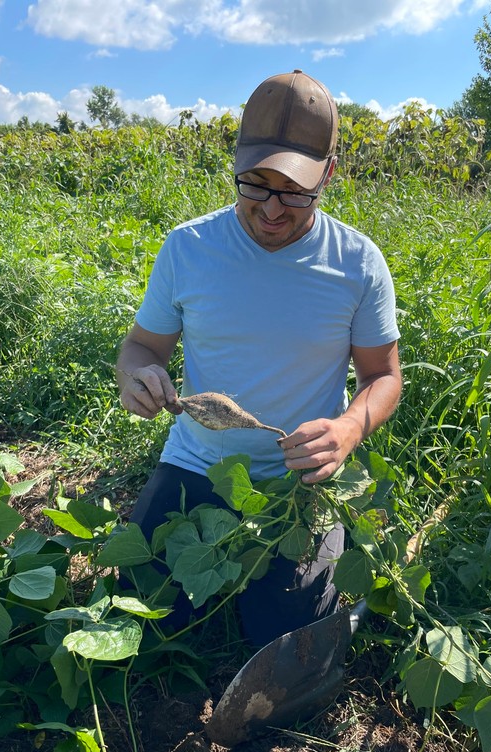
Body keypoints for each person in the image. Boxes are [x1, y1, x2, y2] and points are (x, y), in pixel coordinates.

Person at [116, 69, 402, 648]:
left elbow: (383, 377)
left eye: (294, 191)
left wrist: (348, 429)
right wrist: (138, 375)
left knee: (283, 639)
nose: (272, 209)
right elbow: (141, 346)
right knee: (143, 616)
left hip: (298, 482)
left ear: (329, 173)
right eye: (255, 184)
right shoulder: (189, 248)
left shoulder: (357, 263)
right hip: (198, 462)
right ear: (237, 166)